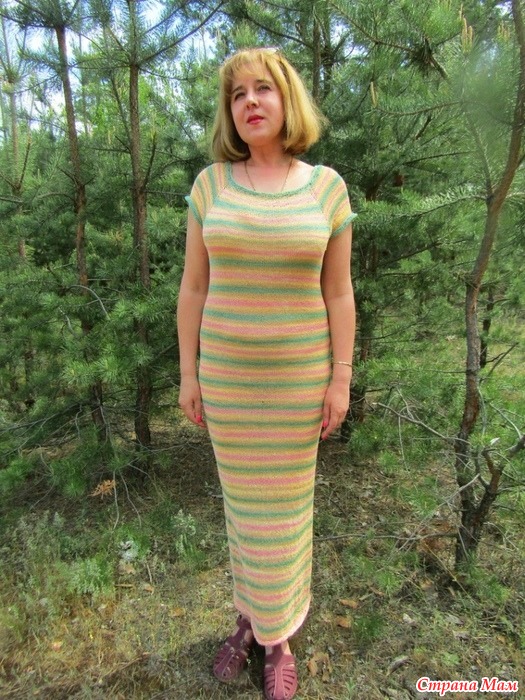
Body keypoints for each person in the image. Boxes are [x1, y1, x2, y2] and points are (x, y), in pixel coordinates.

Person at [177, 47, 357, 700]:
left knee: (286, 513)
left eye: (263, 89)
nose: (249, 101)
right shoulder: (210, 187)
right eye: (237, 94)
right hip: (228, 383)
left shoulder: (326, 188)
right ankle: (249, 620)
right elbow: (193, 288)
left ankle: (279, 638)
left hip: (297, 387)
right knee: (243, 511)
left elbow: (338, 292)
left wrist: (340, 379)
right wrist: (188, 373)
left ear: (287, 100)